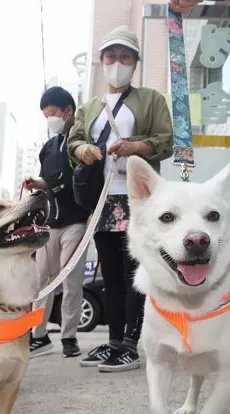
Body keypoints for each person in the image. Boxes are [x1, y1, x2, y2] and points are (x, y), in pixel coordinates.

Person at [67, 25, 173, 373]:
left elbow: (165, 140)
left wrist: (135, 147)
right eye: (111, 56)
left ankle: (131, 343)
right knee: (109, 274)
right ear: (101, 61)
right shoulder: (91, 106)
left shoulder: (151, 99)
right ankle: (113, 341)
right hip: (103, 201)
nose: (117, 62)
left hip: (136, 201)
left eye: (125, 56)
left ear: (135, 62)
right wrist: (82, 148)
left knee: (135, 273)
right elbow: (74, 141)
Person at [23, 87, 90, 359]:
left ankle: (69, 336)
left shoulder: (81, 139)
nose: (50, 119)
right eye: (45, 115)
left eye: (52, 114)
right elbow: (47, 181)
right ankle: (38, 336)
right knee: (42, 279)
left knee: (71, 280)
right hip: (52, 221)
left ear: (68, 111)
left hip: (78, 220)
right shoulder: (48, 147)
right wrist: (35, 183)